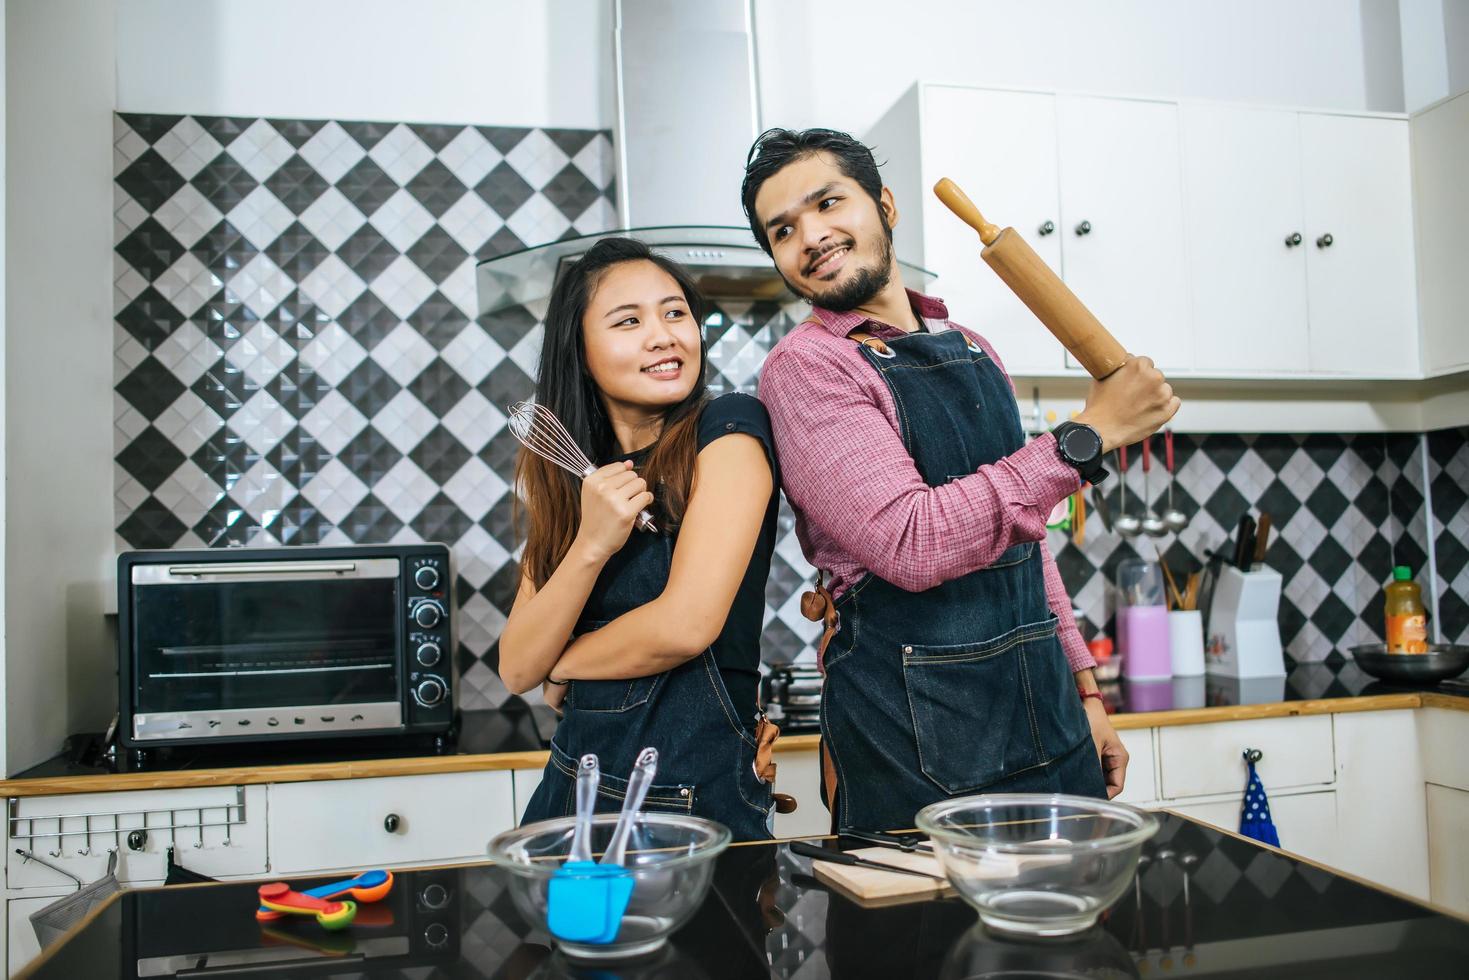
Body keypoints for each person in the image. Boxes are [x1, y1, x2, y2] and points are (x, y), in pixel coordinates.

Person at [742, 128, 1179, 832]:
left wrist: (1086, 695)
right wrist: (1084, 438)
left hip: (1048, 713)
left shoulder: (974, 348)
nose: (811, 236)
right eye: (783, 229)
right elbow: (912, 542)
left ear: (883, 204)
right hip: (914, 736)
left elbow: (1027, 543)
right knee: (926, 941)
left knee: (1071, 935)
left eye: (828, 203)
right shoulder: (807, 369)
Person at [502, 236, 779, 841]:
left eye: (676, 313)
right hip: (570, 787)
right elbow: (517, 665)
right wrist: (592, 542)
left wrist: (565, 666)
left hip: (689, 794)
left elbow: (684, 626)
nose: (664, 335)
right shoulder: (573, 475)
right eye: (629, 321)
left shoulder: (729, 430)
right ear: (579, 350)